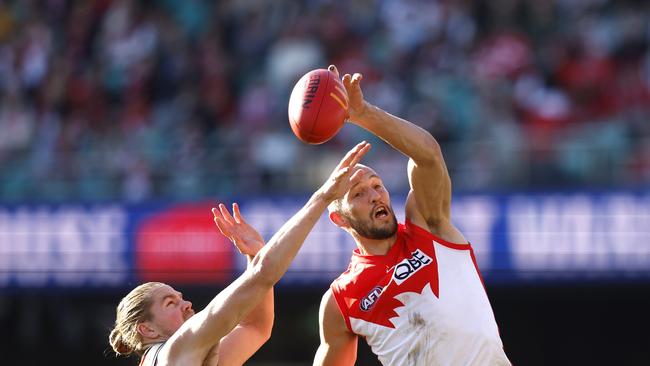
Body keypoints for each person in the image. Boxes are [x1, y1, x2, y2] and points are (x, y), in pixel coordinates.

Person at [312, 65, 511, 365]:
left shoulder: (427, 225)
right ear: (338, 218)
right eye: (358, 194)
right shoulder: (341, 299)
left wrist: (363, 114)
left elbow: (428, 155)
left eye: (376, 185)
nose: (375, 195)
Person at [108, 141, 371, 366]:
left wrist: (255, 255)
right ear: (147, 329)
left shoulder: (189, 354)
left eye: (179, 297)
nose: (186, 304)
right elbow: (262, 276)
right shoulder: (174, 352)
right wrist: (322, 197)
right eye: (170, 303)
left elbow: (255, 328)